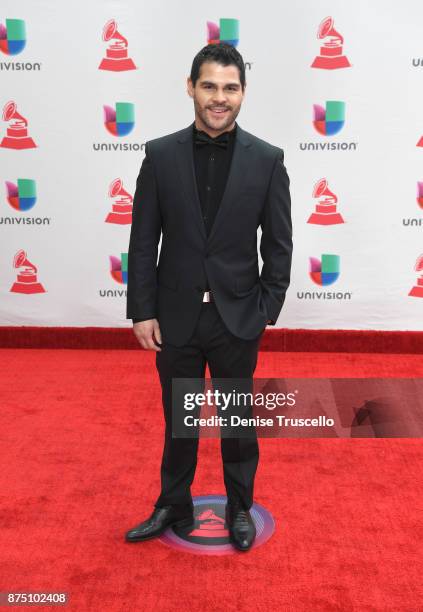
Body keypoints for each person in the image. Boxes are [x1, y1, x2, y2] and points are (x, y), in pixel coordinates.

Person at [125, 43, 292, 551]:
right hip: (174, 317)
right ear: (190, 86)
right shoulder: (159, 156)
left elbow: (279, 246)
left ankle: (240, 506)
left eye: (230, 88)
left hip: (237, 317)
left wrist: (263, 310)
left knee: (238, 423)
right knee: (181, 420)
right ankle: (172, 502)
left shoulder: (267, 160)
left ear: (243, 93)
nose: (219, 99)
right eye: (210, 86)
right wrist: (142, 310)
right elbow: (142, 239)